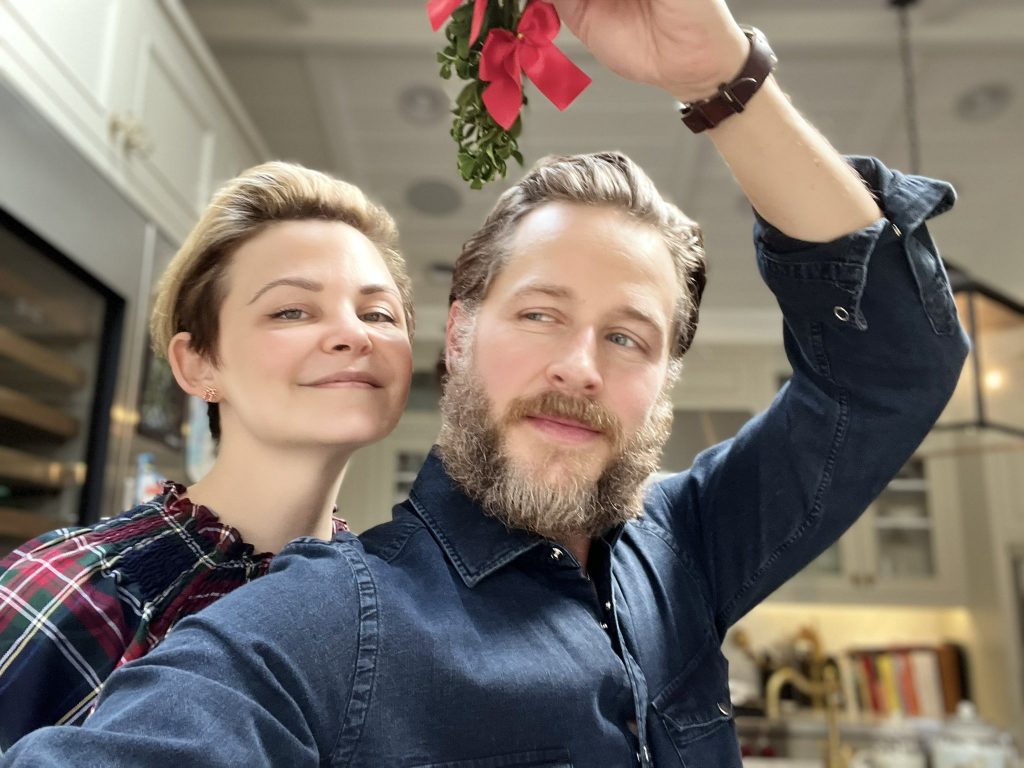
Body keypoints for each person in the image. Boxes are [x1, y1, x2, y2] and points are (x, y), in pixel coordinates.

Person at [1, 0, 968, 765]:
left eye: (629, 338)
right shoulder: (323, 623)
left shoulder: (694, 546)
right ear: (458, 336)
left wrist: (720, 76)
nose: (579, 367)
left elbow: (894, 367)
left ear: (666, 381)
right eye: (540, 314)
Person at [0, 161, 414, 749]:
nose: (354, 334)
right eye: (290, 310)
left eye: (378, 313)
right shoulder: (70, 589)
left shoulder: (398, 614)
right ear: (199, 364)